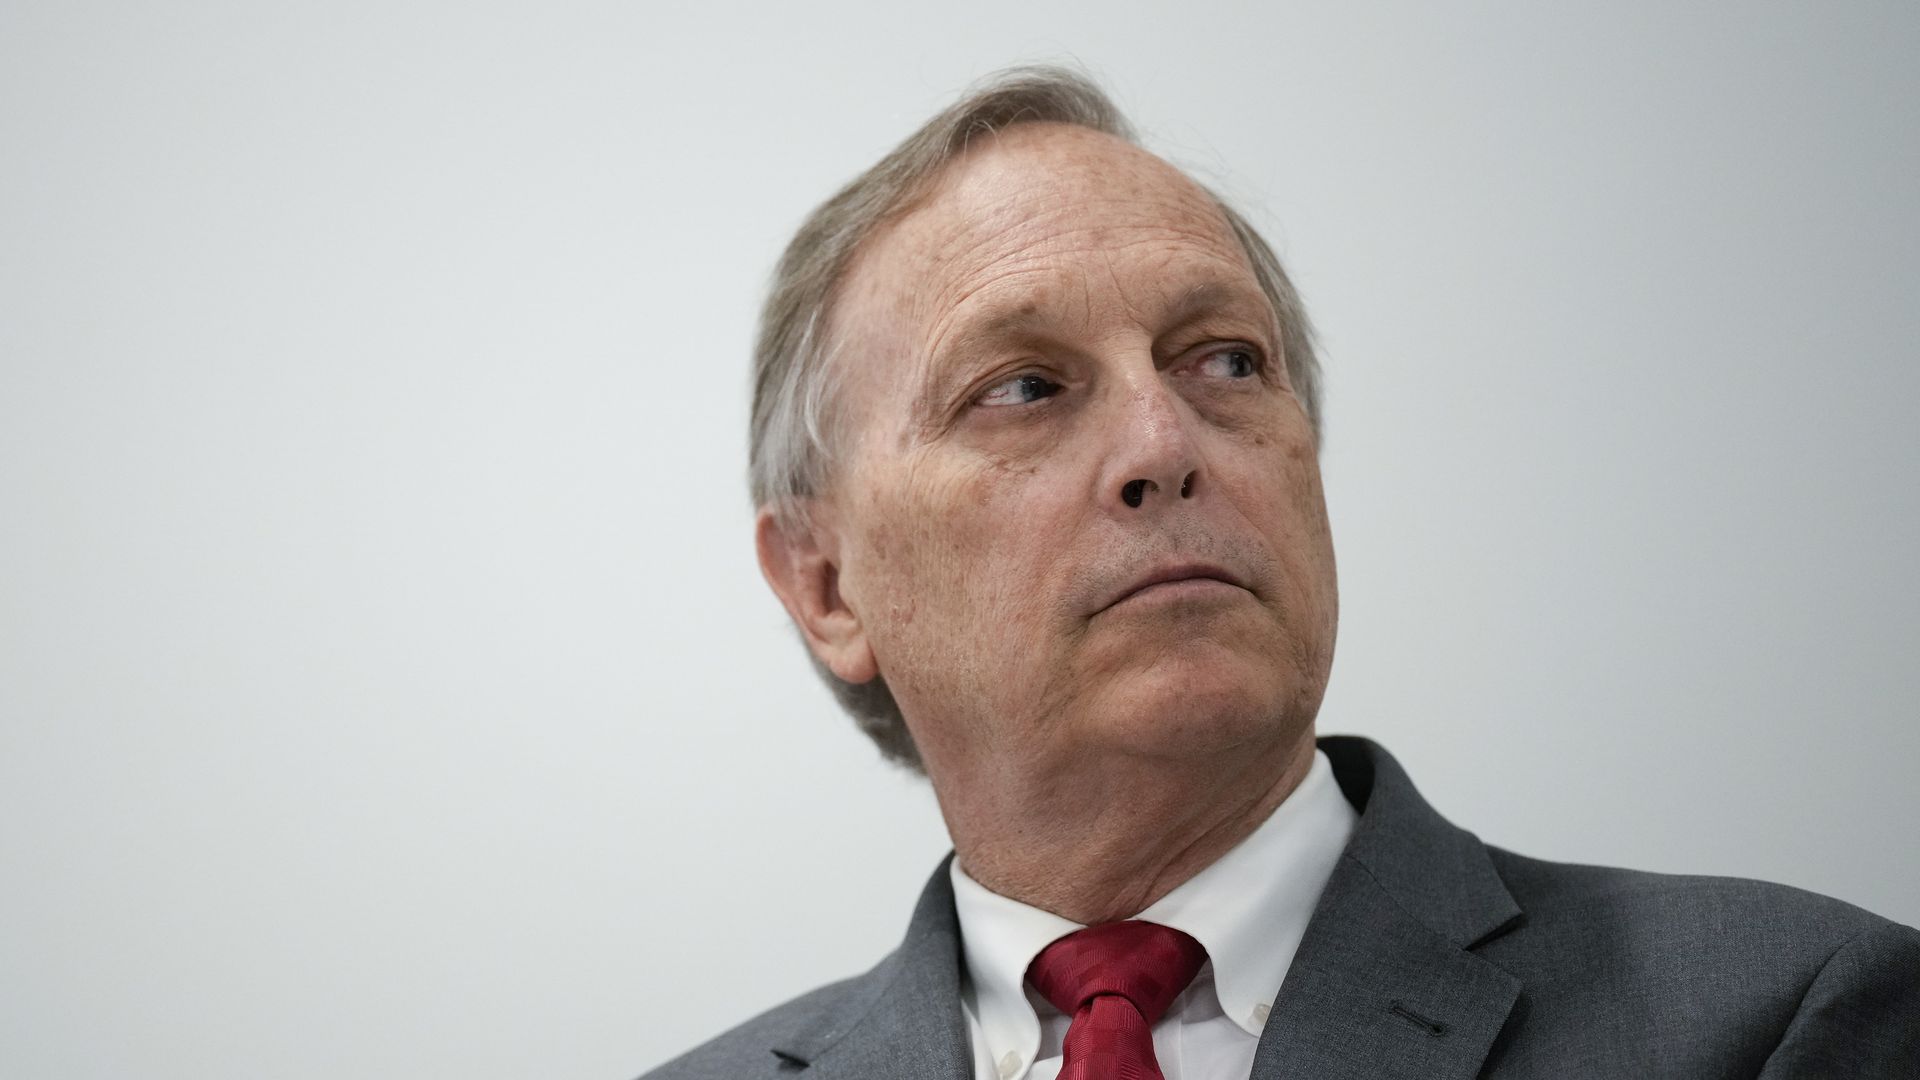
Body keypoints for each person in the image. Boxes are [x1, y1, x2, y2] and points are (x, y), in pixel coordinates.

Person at [642, 66, 1920, 1079]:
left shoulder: (1780, 1019)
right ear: (824, 584)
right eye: (1024, 388)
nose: (1163, 446)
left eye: (1225, 362)